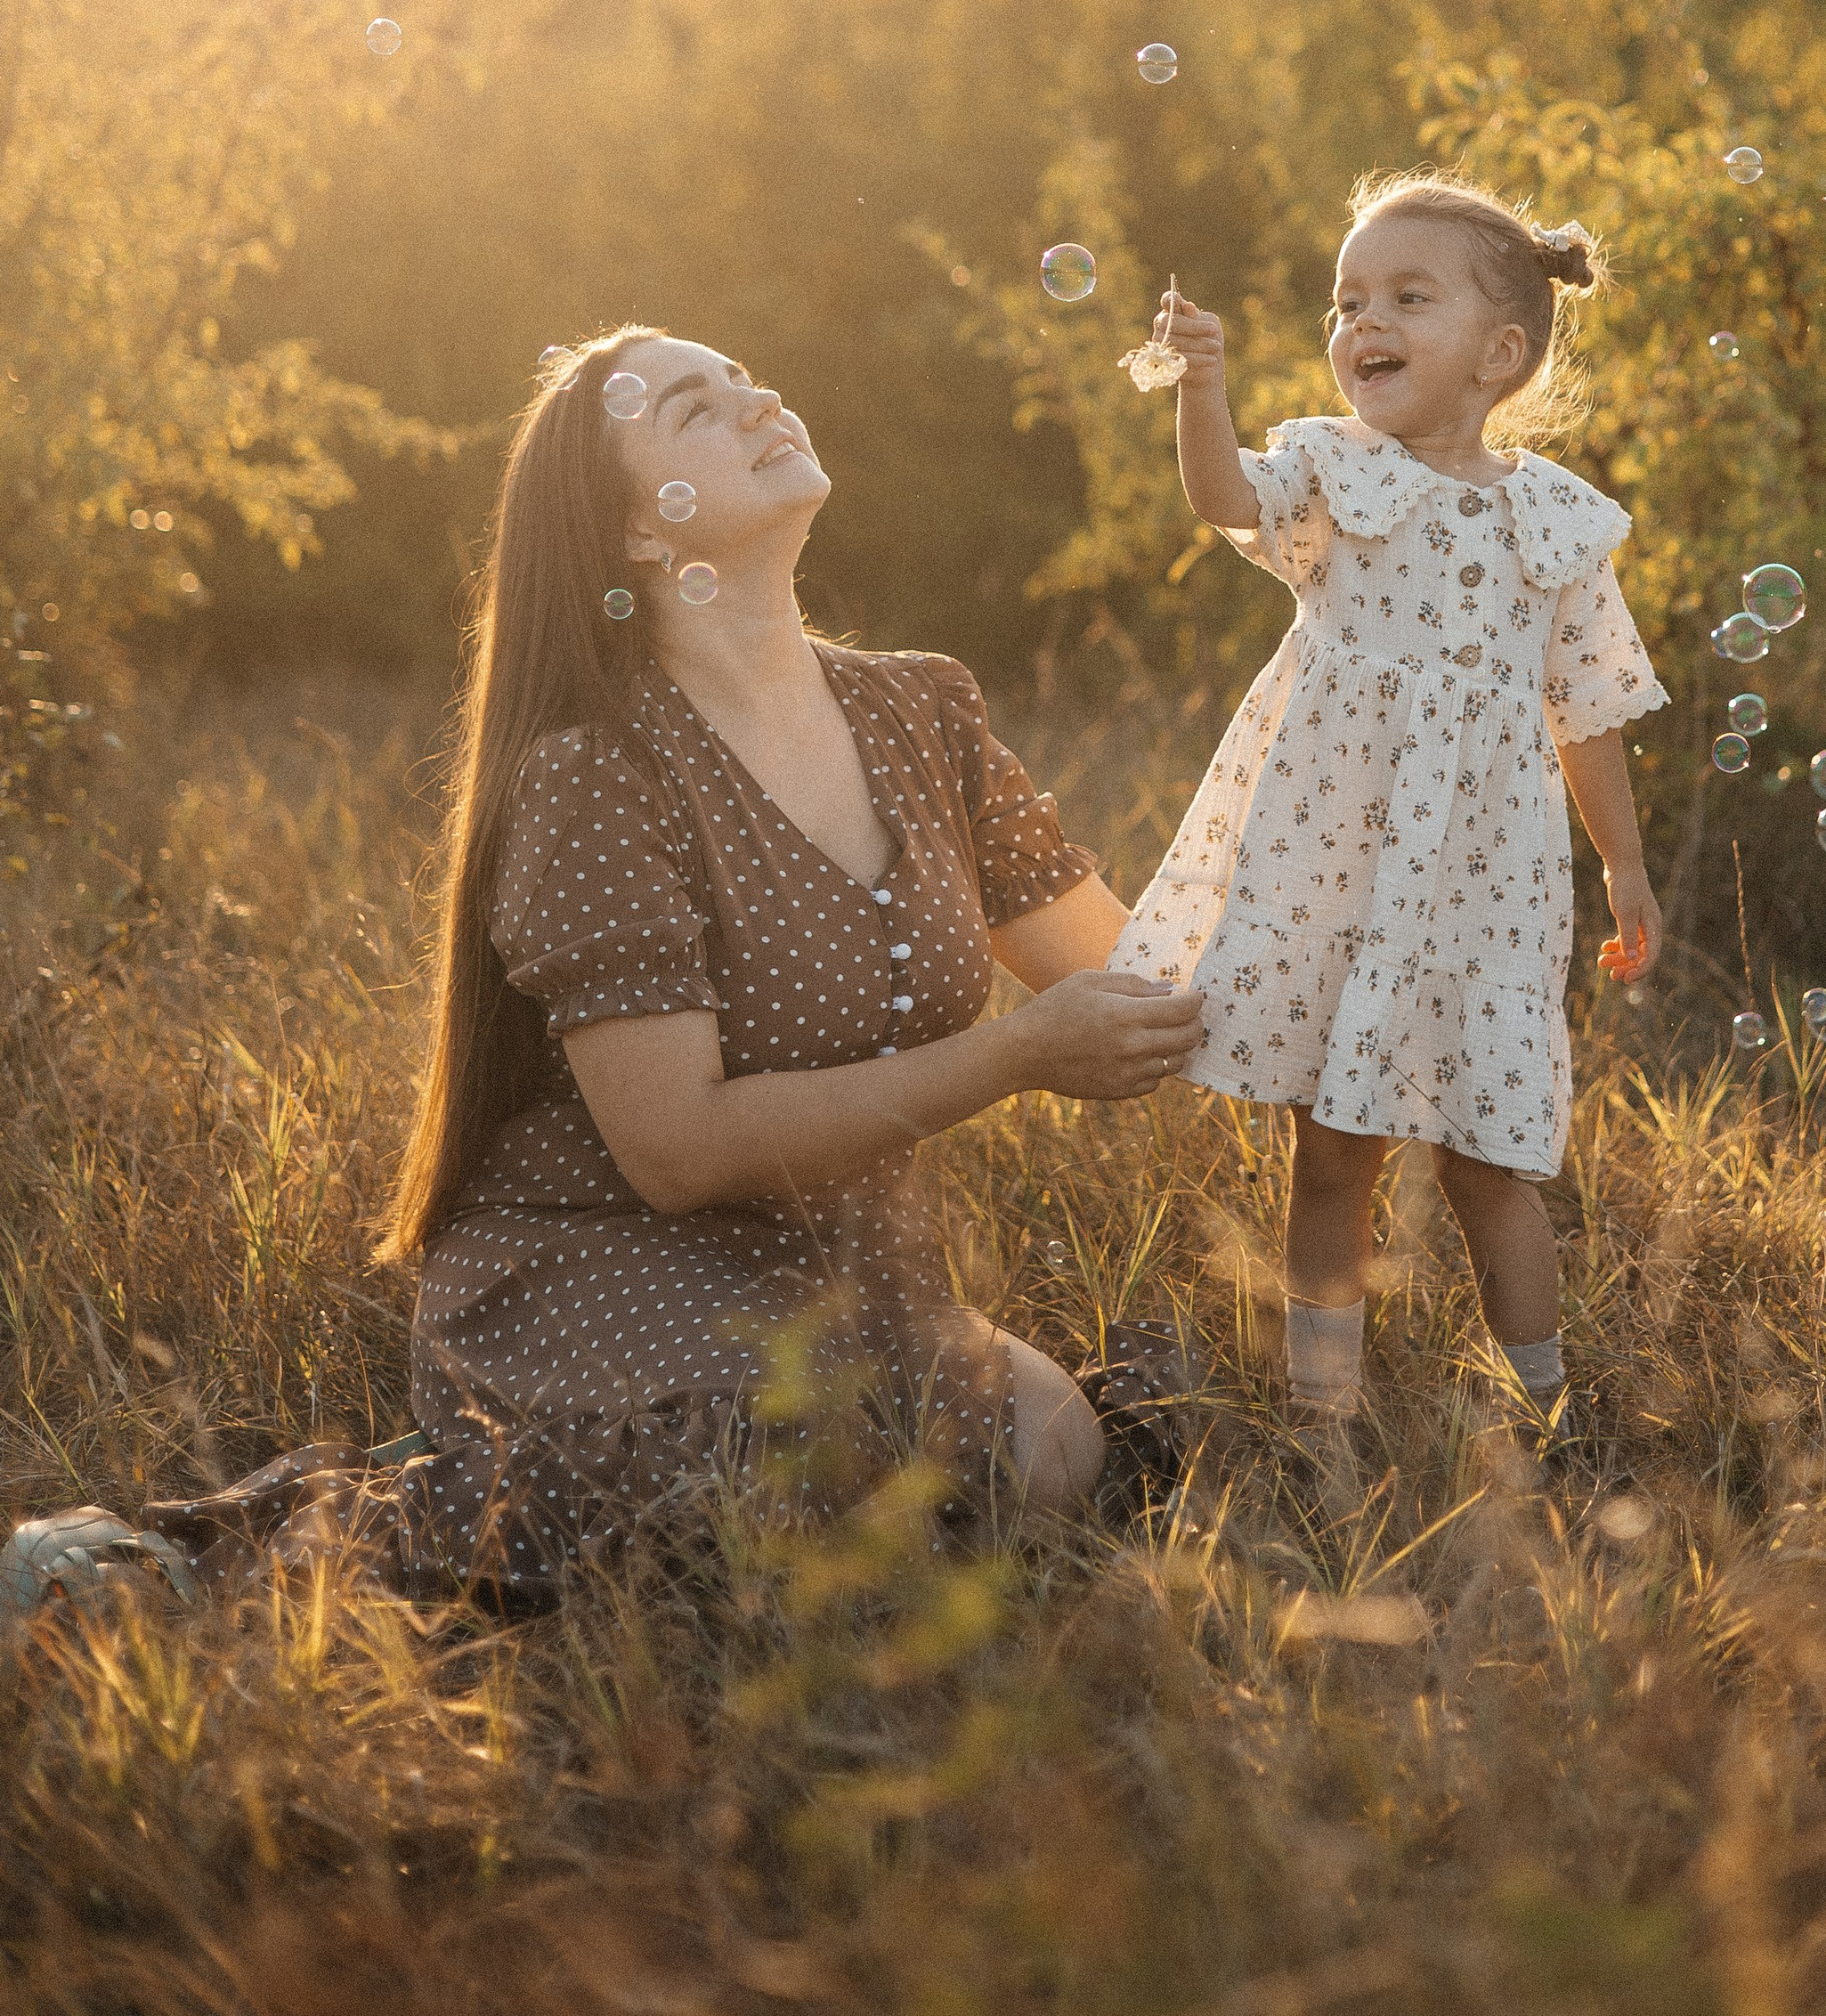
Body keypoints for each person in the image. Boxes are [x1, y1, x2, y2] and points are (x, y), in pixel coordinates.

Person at [354, 329, 1205, 1598]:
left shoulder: (923, 709)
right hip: (603, 1260)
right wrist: (1012, 1057)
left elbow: (1148, 974)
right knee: (798, 1476)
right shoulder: (600, 770)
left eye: (750, 377)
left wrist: (1366, 837)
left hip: (837, 1273)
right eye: (699, 406)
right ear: (641, 536)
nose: (759, 400)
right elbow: (679, 1150)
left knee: (1051, 1450)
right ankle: (278, 1535)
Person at [1110, 170, 1667, 1441]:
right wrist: (1204, 386)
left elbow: (1587, 713)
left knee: (1491, 1159)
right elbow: (1222, 499)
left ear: (1502, 353)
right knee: (1336, 1147)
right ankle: (1323, 1418)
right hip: (1343, 866)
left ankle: (1548, 1411)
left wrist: (1624, 869)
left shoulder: (1556, 528)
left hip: (1482, 887)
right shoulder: (1333, 478)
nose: (1363, 321)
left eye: (1408, 297)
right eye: (1347, 299)